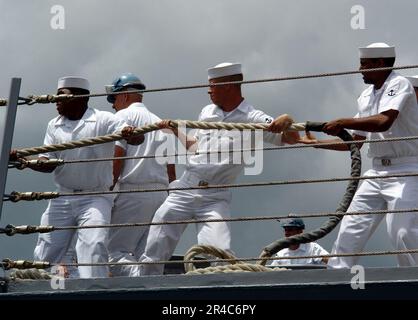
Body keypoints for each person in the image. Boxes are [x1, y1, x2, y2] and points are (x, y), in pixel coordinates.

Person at [138, 62, 300, 275]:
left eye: (212, 86)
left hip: (215, 196)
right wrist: (175, 130)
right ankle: (144, 288)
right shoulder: (207, 112)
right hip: (186, 187)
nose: (208, 91)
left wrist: (287, 120)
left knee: (220, 253)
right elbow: (196, 146)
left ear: (229, 86)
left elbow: (292, 139)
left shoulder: (254, 119)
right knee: (155, 245)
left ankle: (221, 296)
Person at [272, 43, 418, 268]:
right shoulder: (366, 96)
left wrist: (342, 122)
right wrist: (317, 144)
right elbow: (355, 143)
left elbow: (383, 122)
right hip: (377, 171)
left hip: (406, 170)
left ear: (380, 64)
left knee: (402, 232)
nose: (359, 69)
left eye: (364, 64)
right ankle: (336, 280)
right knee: (351, 229)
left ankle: (412, 280)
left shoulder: (400, 84)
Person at [20, 76, 137, 278]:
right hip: (63, 197)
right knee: (48, 249)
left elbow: (136, 138)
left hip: (95, 197)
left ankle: (94, 290)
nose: (56, 100)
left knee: (93, 246)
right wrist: (24, 159)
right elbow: (47, 164)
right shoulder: (54, 125)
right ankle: (54, 288)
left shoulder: (103, 119)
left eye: (61, 96)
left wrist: (130, 133)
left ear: (81, 97)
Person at [105, 73, 176, 277]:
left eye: (114, 99)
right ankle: (148, 284)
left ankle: (141, 282)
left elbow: (117, 156)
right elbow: (171, 169)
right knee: (143, 255)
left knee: (113, 253)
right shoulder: (162, 123)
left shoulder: (122, 118)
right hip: (161, 195)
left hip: (133, 194)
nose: (112, 105)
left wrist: (107, 190)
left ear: (125, 96)